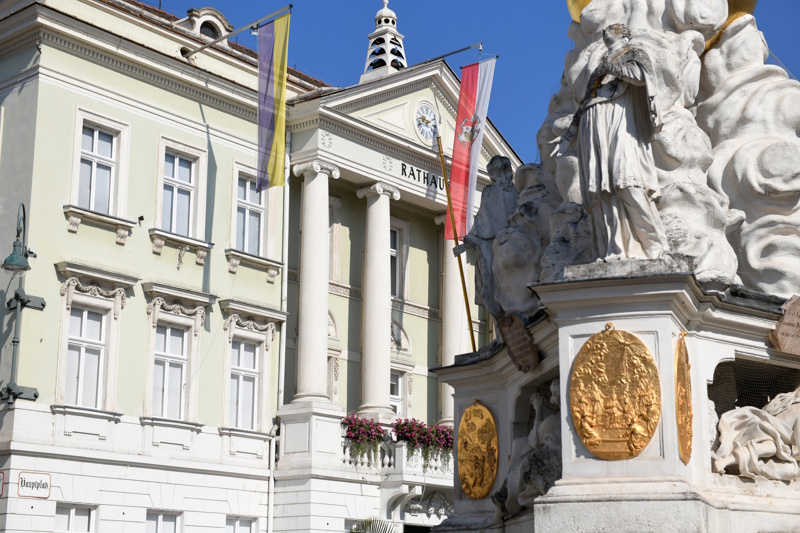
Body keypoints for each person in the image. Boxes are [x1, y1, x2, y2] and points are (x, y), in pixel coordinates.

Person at [551, 23, 669, 262]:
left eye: (612, 28)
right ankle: (614, 248)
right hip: (593, 127)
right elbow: (586, 101)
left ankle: (654, 246)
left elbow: (642, 77)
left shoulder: (633, 52)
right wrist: (568, 136)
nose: (606, 30)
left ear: (623, 34)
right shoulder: (600, 66)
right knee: (600, 189)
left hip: (620, 121)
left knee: (625, 181)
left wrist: (610, 67)